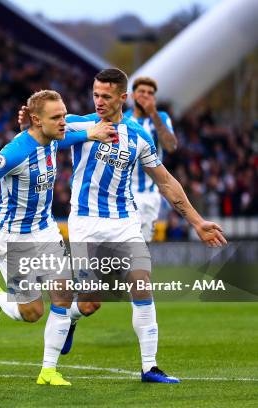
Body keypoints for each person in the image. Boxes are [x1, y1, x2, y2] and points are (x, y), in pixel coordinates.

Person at [19, 68, 226, 383]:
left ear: (122, 98)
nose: (99, 101)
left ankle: (149, 367)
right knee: (89, 303)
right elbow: (40, 136)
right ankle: (72, 318)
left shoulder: (139, 136)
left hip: (125, 221)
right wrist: (27, 126)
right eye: (96, 95)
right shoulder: (77, 123)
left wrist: (197, 222)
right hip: (86, 222)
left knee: (142, 283)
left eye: (106, 96)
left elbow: (166, 181)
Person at [0, 90, 114, 386]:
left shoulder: (54, 136)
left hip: (45, 231)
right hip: (13, 238)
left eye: (63, 115)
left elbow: (78, 125)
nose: (63, 122)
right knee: (32, 313)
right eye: (56, 117)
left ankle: (49, 370)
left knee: (63, 295)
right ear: (36, 120)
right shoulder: (16, 152)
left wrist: (102, 122)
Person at [125, 76, 178, 241]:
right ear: (132, 96)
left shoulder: (160, 118)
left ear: (154, 98)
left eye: (150, 93)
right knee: (123, 246)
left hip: (149, 195)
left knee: (140, 249)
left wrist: (153, 114)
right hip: (123, 193)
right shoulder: (122, 119)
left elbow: (171, 146)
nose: (145, 95)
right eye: (141, 91)